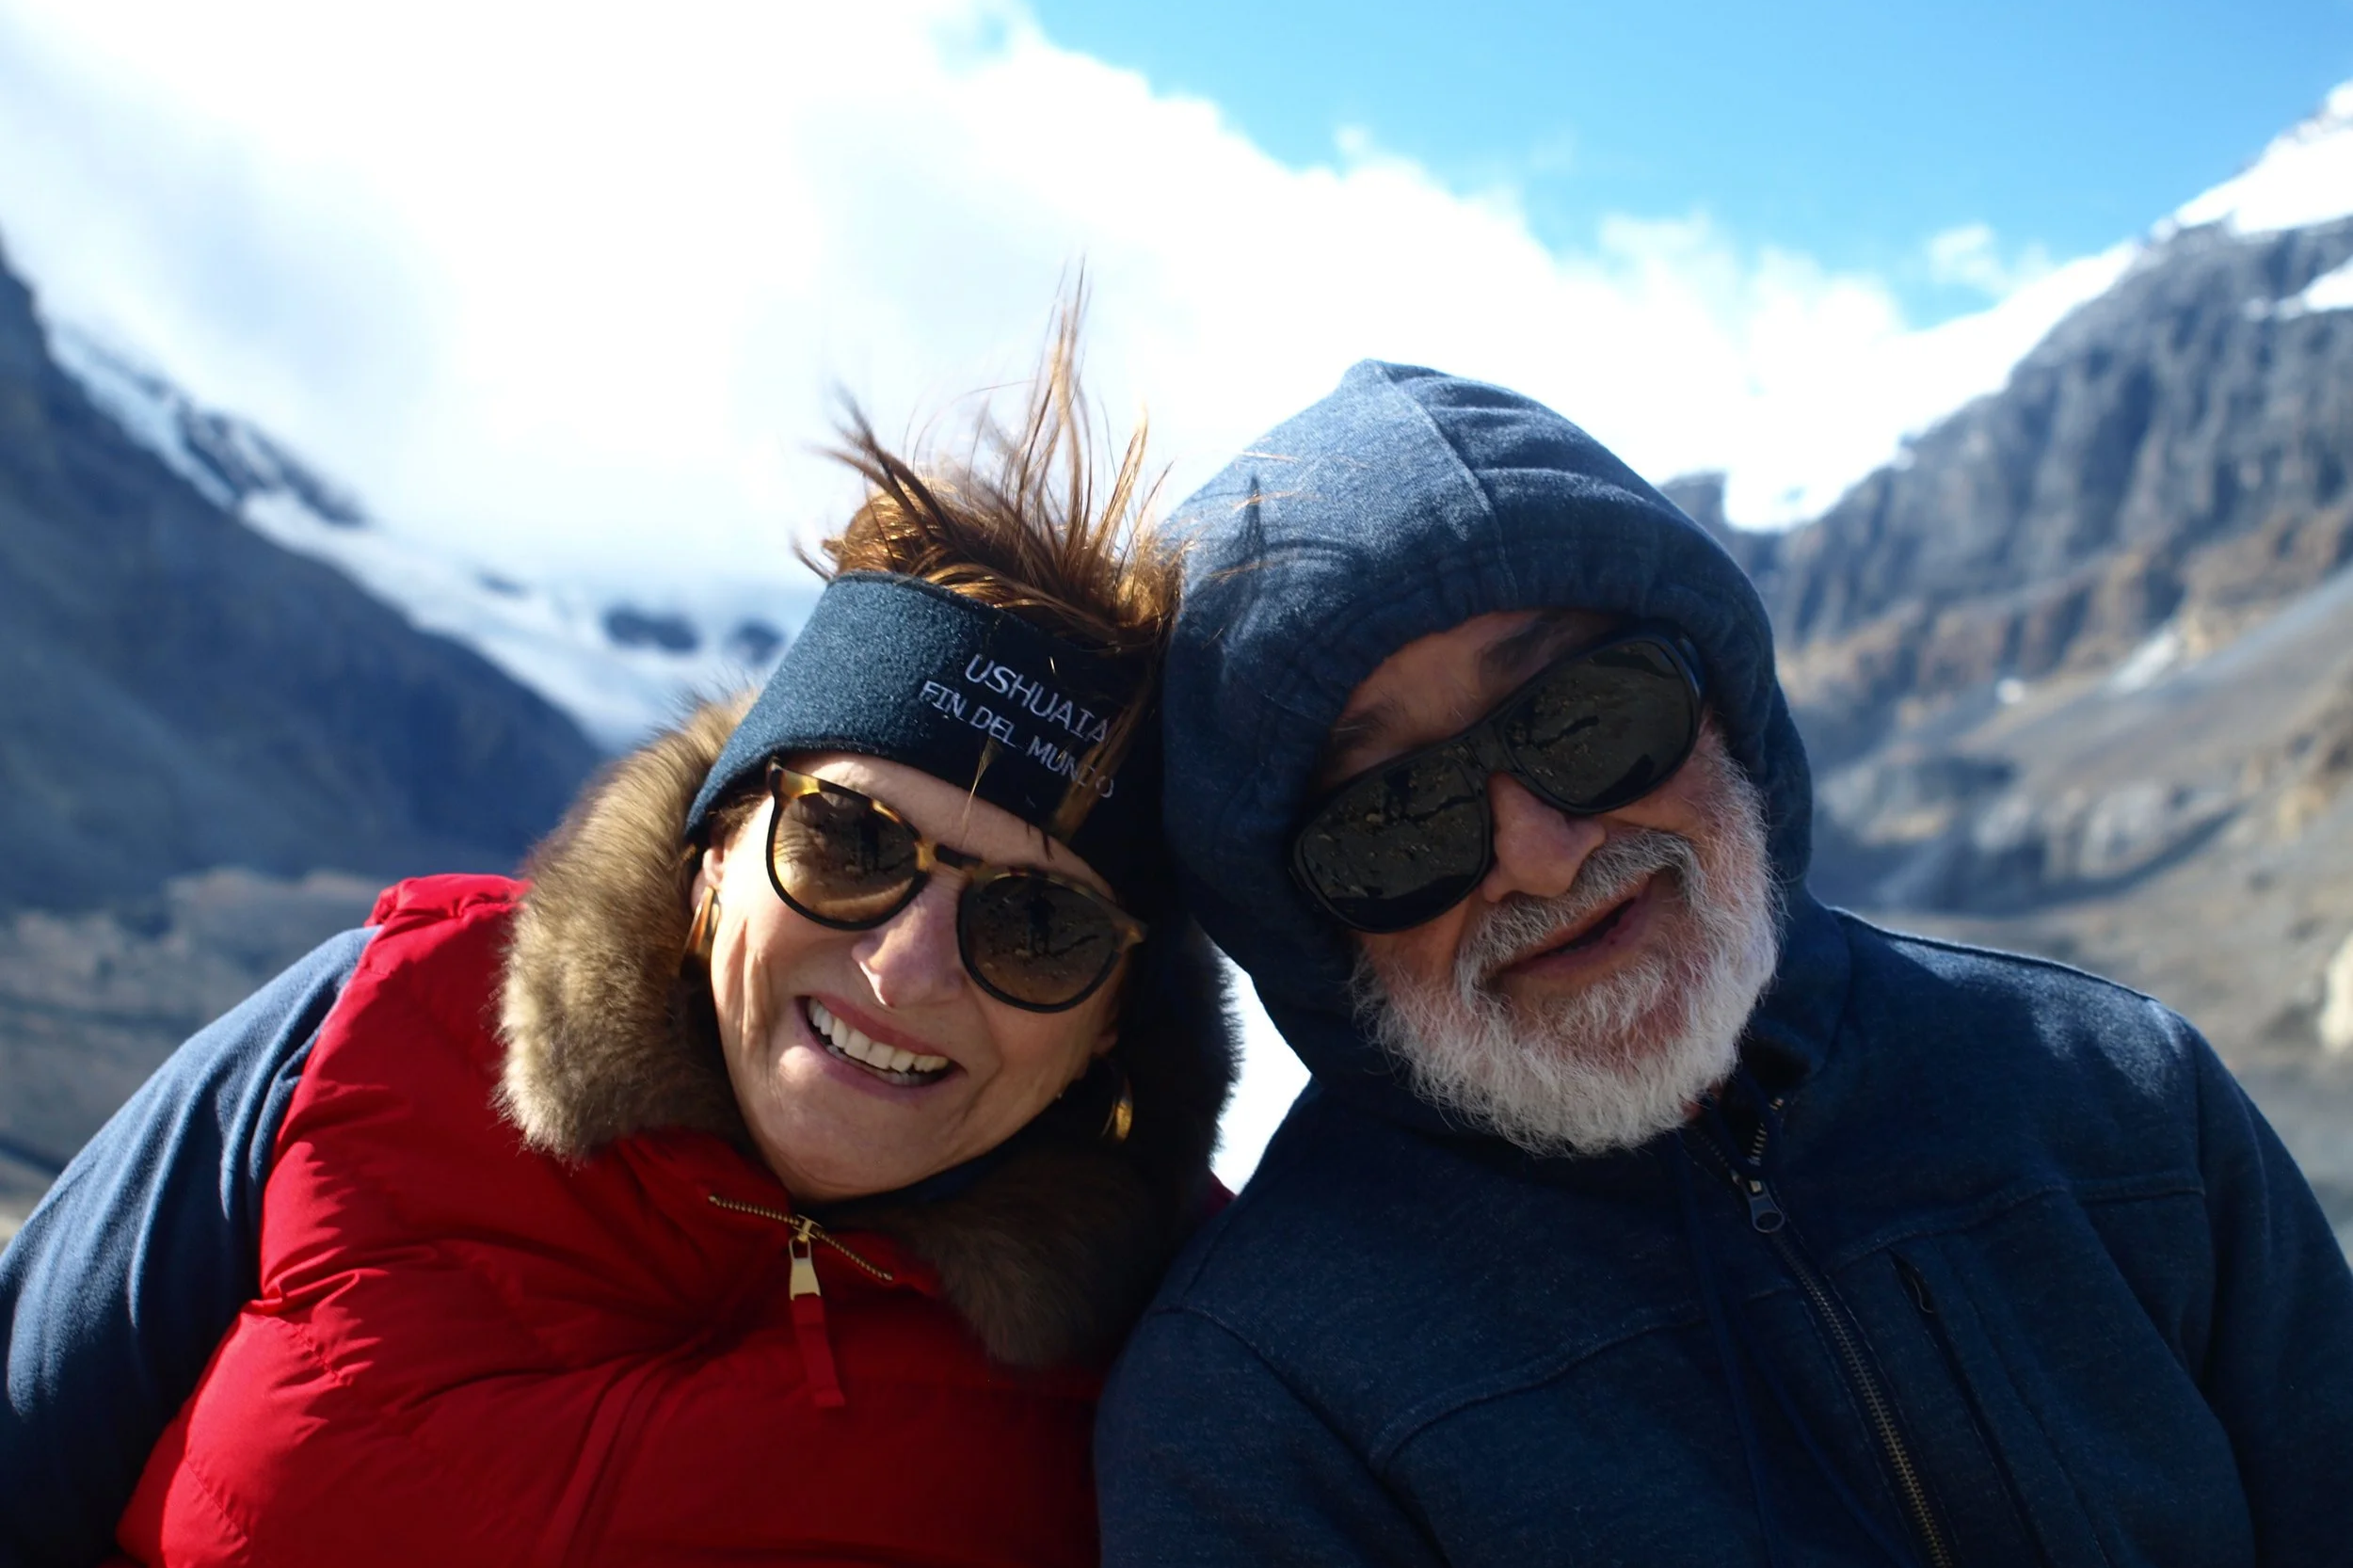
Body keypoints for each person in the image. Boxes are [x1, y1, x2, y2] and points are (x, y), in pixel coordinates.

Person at [0, 323, 1234, 1567]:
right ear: (713, 851)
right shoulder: (383, 1018)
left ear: (1114, 1015)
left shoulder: (1186, 1359)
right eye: (850, 844)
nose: (905, 967)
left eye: (1036, 924)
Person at [1096, 360, 2353, 1566]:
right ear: (1304, 921)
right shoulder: (1261, 1407)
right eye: (1394, 818)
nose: (1537, 855)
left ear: (1722, 702)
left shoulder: (2120, 1090)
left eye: (1589, 717)